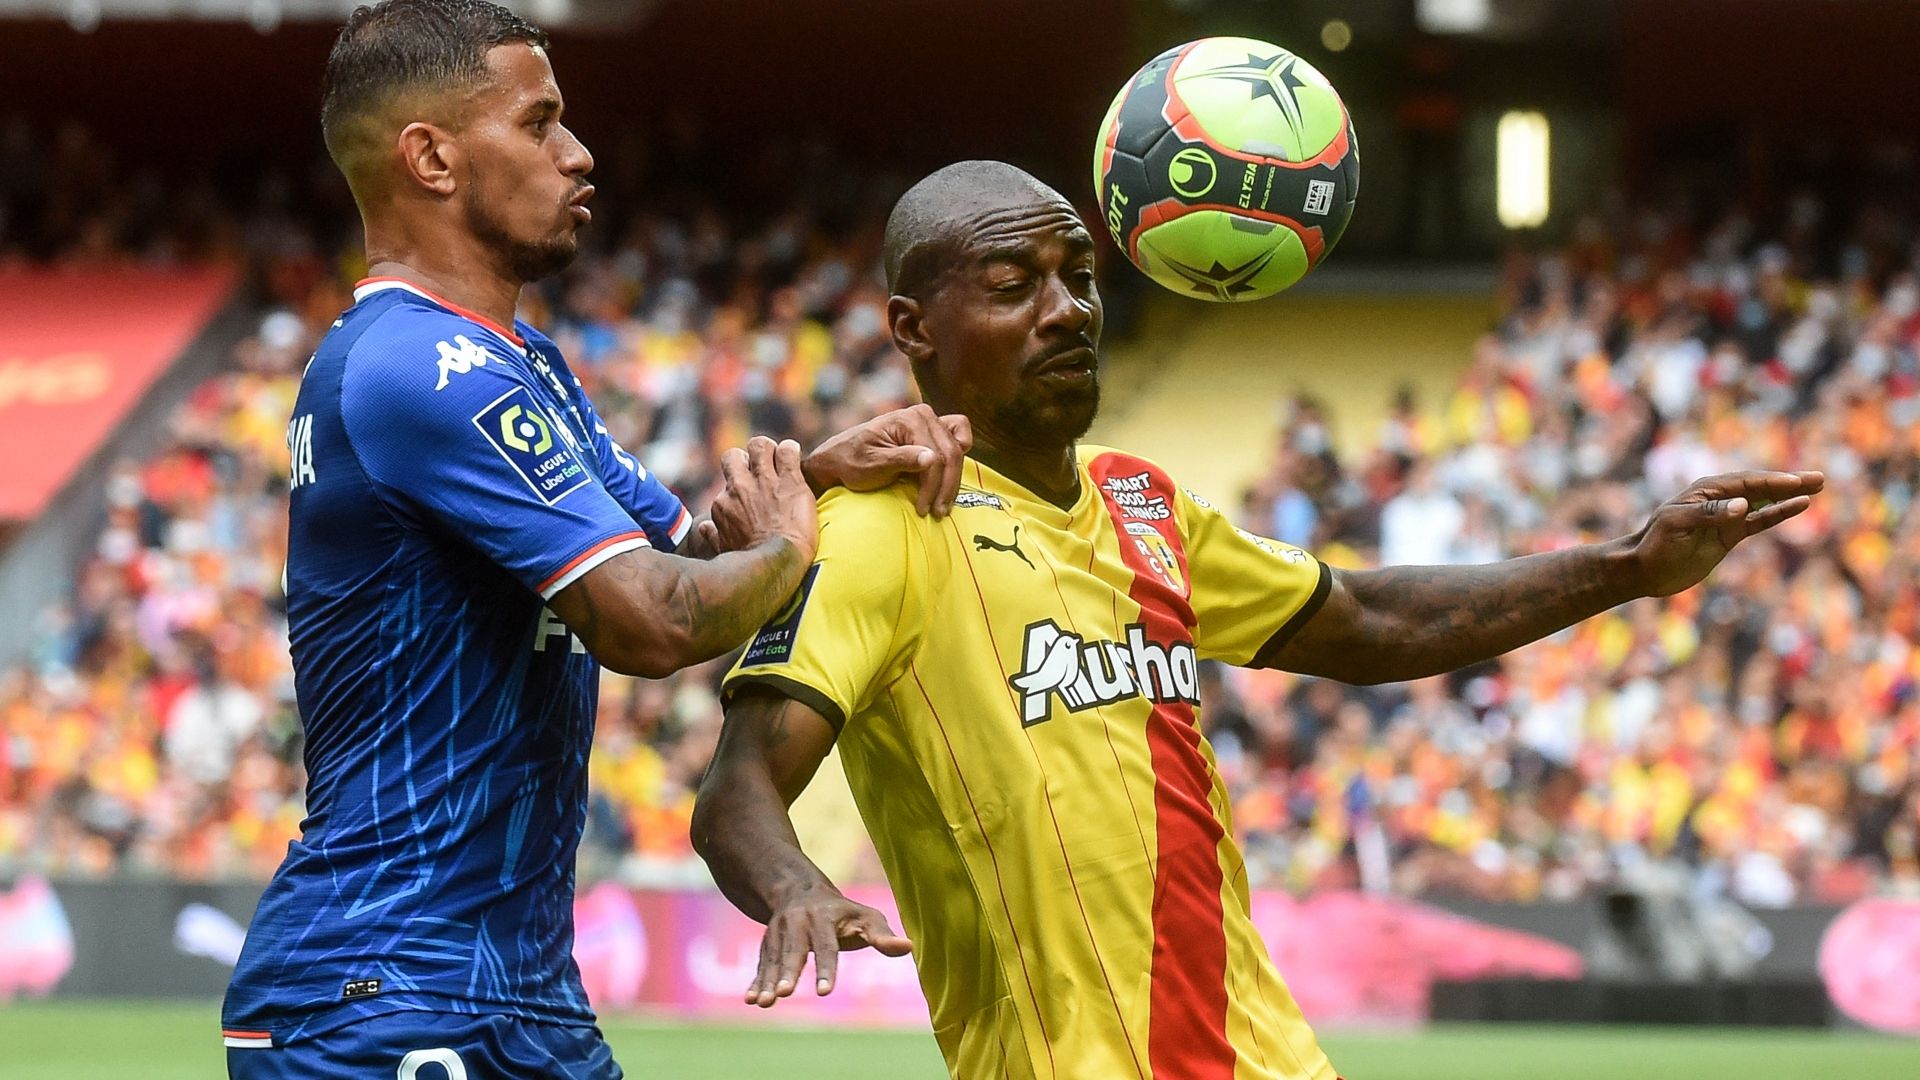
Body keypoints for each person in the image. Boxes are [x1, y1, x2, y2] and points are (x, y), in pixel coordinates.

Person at [691, 160, 1824, 1080]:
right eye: (1011, 285)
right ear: (912, 326)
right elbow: (738, 788)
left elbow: (1365, 620)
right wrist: (796, 887)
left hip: (1270, 1058)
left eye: (1078, 277)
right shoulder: (878, 530)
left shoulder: (1142, 500)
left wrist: (1628, 566)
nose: (1066, 310)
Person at [219, 3, 968, 1077]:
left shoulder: (519, 364)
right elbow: (652, 623)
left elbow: (689, 560)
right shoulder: (416, 367)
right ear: (431, 158)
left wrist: (812, 476)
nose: (578, 154)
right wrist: (791, 545)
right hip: (384, 990)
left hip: (516, 992)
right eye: (538, 123)